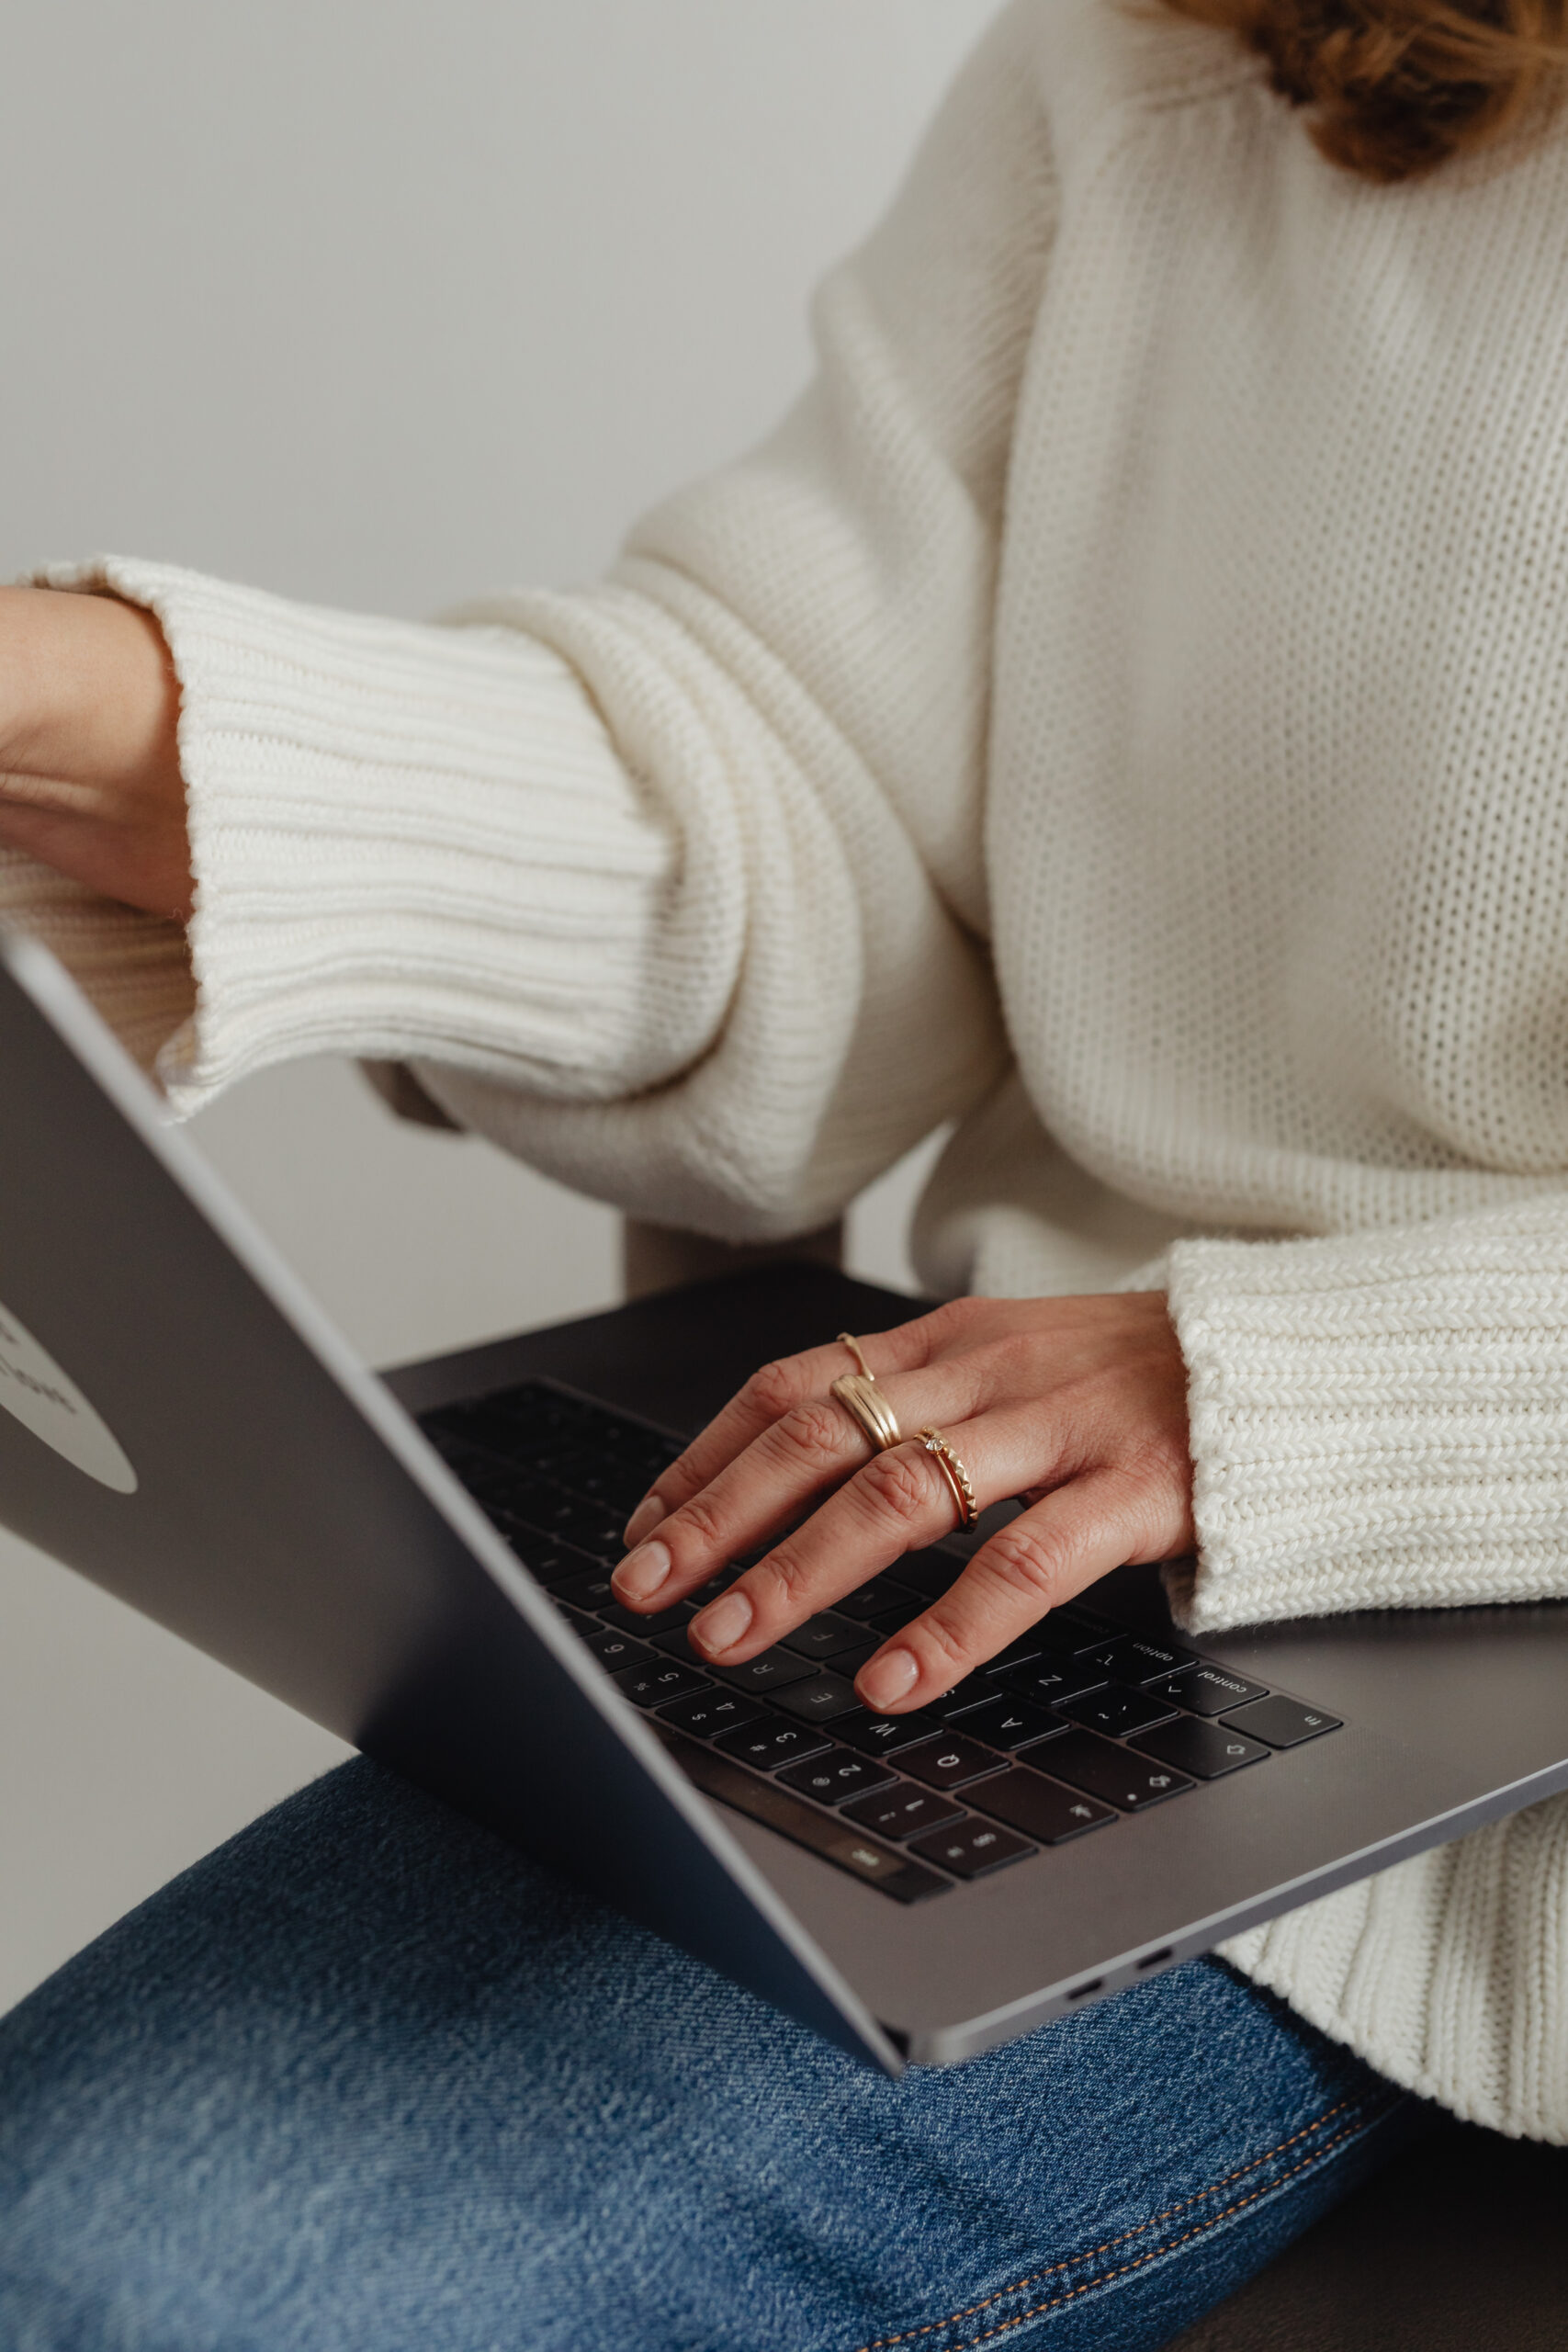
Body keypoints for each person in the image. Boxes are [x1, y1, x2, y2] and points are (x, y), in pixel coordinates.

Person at [2, 0, 1566, 2340]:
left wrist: (1258, 1389)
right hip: (1038, 1611)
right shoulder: (1198, 65)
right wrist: (113, 728)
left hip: (1444, 1756)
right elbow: (817, 795)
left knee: (168, 2287)